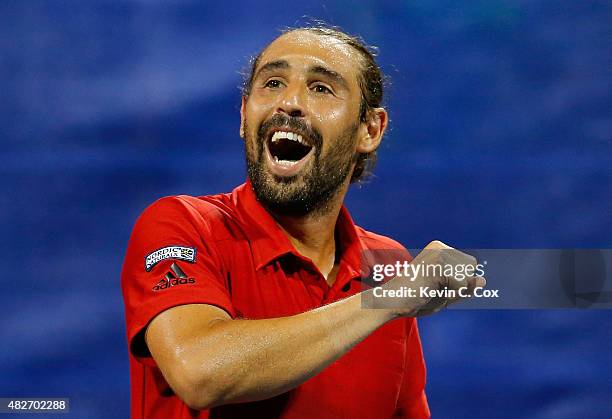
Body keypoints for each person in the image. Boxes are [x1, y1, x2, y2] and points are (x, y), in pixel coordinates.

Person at [121, 25, 485, 419]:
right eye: (273, 83)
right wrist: (388, 300)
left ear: (370, 129)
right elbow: (200, 373)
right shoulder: (183, 225)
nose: (290, 102)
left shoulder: (386, 264)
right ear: (244, 115)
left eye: (321, 88)